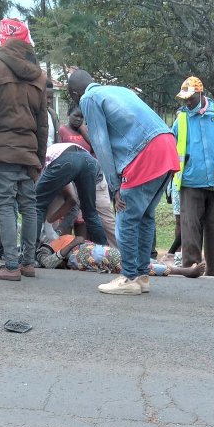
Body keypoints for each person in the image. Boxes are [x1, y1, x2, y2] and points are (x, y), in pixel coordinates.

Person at [67, 69, 180, 296]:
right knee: (145, 216)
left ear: (73, 93)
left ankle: (128, 277)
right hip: (167, 145)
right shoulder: (116, 90)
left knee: (126, 215)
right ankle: (141, 277)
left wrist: (114, 186)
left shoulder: (89, 98)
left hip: (145, 151)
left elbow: (100, 143)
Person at [0, 18, 47, 281]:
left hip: (0, 150)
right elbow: (42, 122)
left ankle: (11, 265)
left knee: (4, 204)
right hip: (27, 152)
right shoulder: (38, 74)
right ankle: (28, 263)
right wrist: (38, 159)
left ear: (2, 40)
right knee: (28, 205)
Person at [171, 76, 214, 276]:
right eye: (184, 98)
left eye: (191, 97)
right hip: (191, 182)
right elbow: (171, 146)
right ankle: (191, 270)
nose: (187, 101)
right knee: (190, 229)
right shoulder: (181, 119)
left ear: (201, 94)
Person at [36, 142, 109, 245]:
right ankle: (104, 253)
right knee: (90, 213)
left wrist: (48, 225)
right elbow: (73, 200)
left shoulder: (40, 165)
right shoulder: (51, 156)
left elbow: (72, 200)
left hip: (66, 160)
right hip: (88, 159)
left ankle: (30, 255)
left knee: (37, 205)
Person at [37, 234, 205, 278]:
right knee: (131, 265)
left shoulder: (52, 238)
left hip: (91, 251)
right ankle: (183, 271)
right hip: (81, 255)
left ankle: (174, 266)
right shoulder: (42, 249)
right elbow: (49, 264)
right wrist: (72, 244)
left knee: (134, 259)